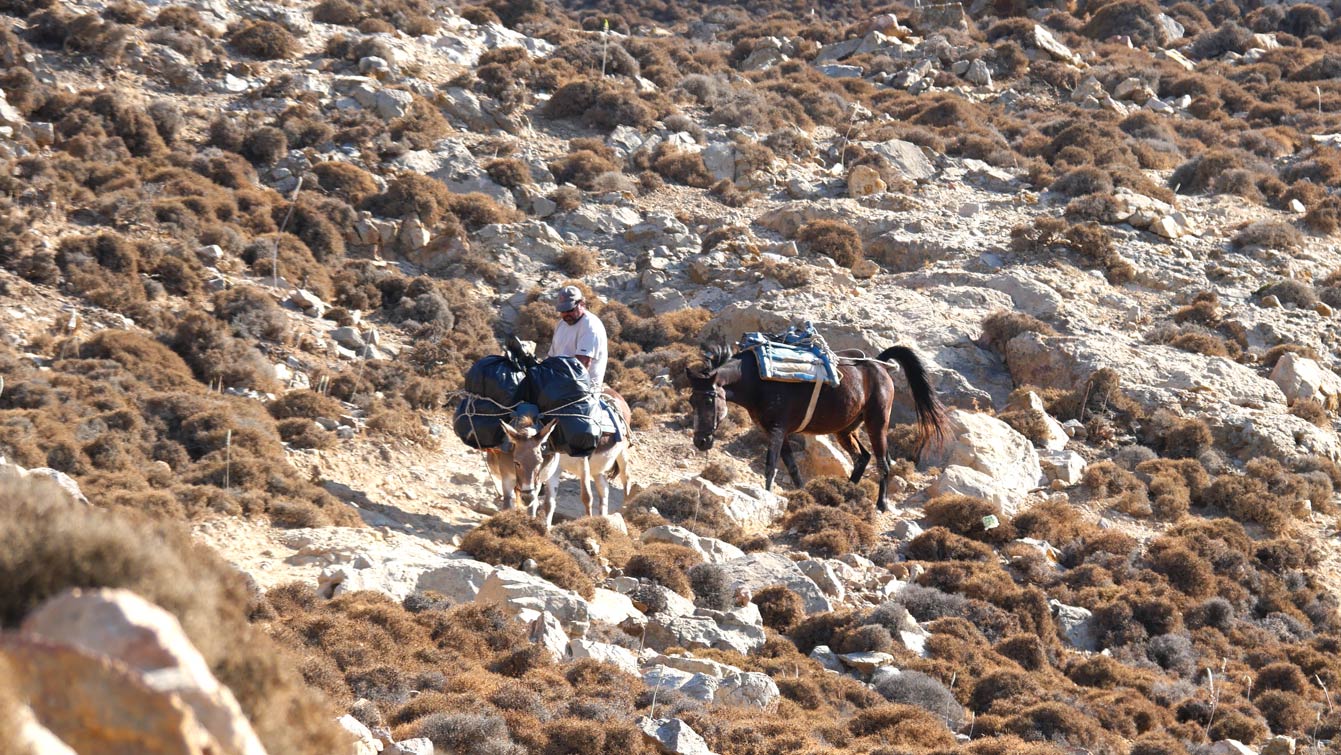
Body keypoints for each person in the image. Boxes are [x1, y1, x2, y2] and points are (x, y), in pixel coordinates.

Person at [548, 285, 608, 389]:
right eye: (563, 311)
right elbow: (551, 358)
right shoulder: (561, 324)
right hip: (560, 383)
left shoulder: (590, 325)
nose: (566, 314)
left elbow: (582, 365)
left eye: (570, 309)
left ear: (582, 304)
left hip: (583, 389)